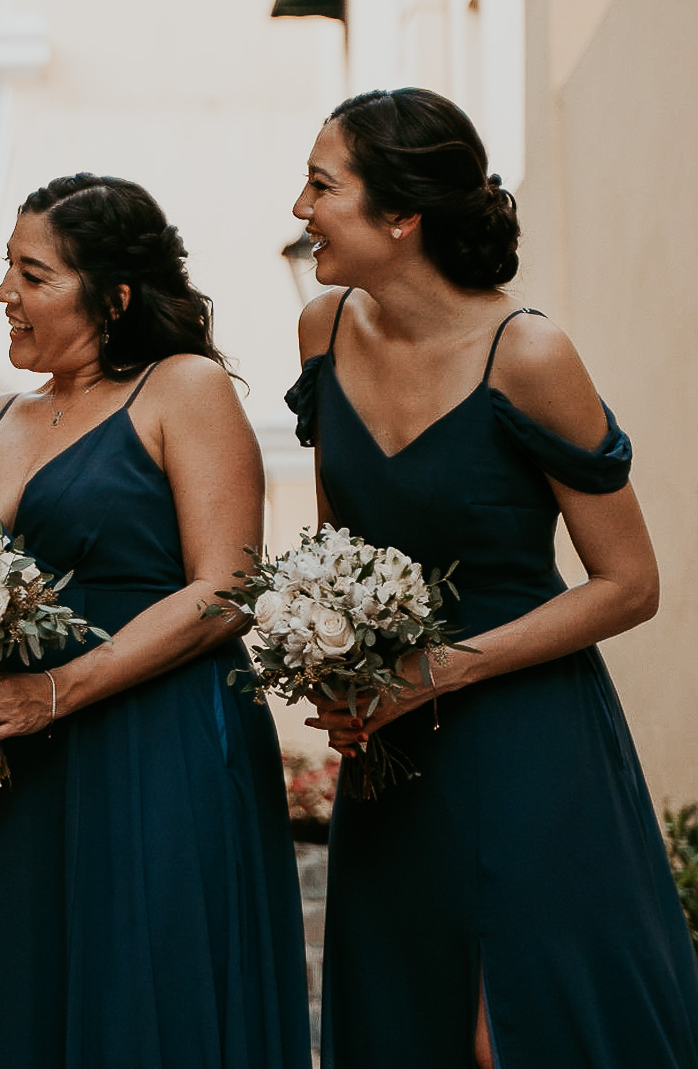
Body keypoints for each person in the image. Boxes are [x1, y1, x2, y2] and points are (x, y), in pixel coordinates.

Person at [291, 87, 698, 1068]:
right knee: (406, 1016)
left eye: (320, 185)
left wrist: (444, 669)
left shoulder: (531, 353)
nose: (300, 210)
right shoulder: (323, 330)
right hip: (391, 749)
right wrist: (330, 659)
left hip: (529, 737)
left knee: (521, 1026)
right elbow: (337, 546)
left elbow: (630, 581)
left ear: (401, 215)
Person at [0, 174, 311, 1068]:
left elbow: (226, 588)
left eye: (32, 273)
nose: (5, 296)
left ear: (114, 295)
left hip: (160, 743)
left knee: (152, 995)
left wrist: (54, 690)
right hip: (22, 764)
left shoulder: (183, 388)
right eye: (5, 269)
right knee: (38, 998)